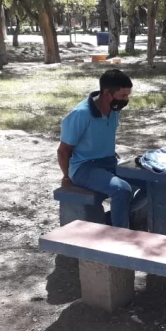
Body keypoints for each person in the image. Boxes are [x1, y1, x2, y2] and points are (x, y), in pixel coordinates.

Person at [57, 69, 134, 228]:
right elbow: (63, 150)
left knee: (150, 183)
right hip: (85, 167)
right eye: (122, 95)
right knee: (122, 190)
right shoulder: (81, 114)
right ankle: (120, 235)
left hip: (109, 161)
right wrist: (66, 177)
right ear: (106, 94)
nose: (126, 100)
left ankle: (113, 219)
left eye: (128, 95)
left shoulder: (114, 109)